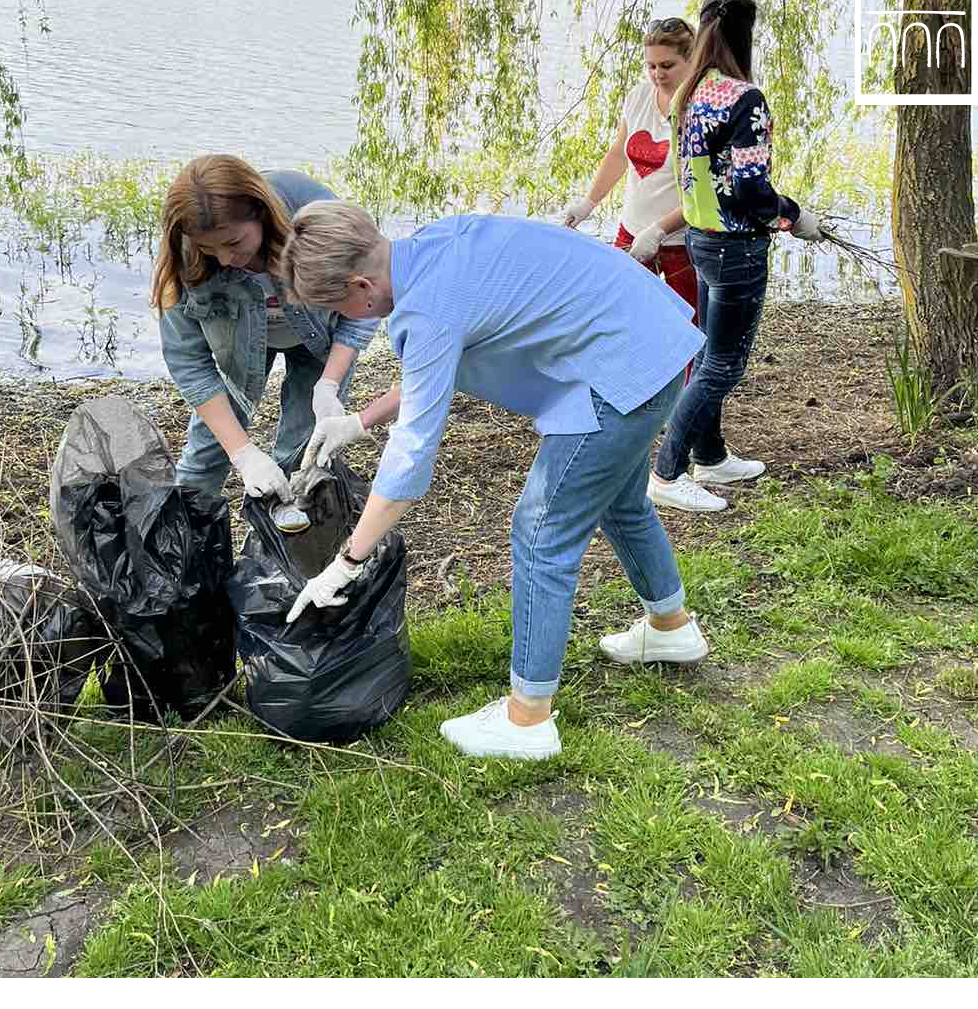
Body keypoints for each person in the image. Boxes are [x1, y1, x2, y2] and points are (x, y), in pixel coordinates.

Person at [276, 203, 709, 761]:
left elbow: (410, 459)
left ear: (360, 285)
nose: (348, 316)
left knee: (541, 532)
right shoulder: (434, 244)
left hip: (622, 372)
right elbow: (438, 363)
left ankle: (527, 720)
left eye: (338, 306)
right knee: (620, 500)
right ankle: (671, 628)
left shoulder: (426, 311)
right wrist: (358, 422)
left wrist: (348, 561)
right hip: (652, 340)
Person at [647, 0, 821, 514]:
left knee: (707, 353)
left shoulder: (690, 93)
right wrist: (793, 214)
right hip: (736, 247)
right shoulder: (744, 98)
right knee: (724, 362)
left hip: (701, 239)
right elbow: (750, 188)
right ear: (747, 34)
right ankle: (666, 471)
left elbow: (695, 178)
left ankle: (711, 454)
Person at [151, 156, 379, 500]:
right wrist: (243, 455)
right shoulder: (185, 252)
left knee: (306, 449)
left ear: (260, 212)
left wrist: (329, 384)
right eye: (208, 249)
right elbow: (189, 362)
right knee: (206, 455)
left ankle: (284, 541)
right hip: (240, 345)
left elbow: (366, 300)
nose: (225, 259)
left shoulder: (314, 215)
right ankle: (180, 541)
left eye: (233, 243)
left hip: (320, 342)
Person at [563, 17, 699, 331]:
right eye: (650, 66)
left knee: (684, 328)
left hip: (681, 242)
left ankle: (685, 382)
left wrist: (659, 231)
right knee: (623, 319)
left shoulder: (699, 111)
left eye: (667, 65)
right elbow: (618, 154)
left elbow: (703, 190)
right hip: (631, 234)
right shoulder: (639, 97)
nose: (657, 74)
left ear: (690, 61)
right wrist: (588, 203)